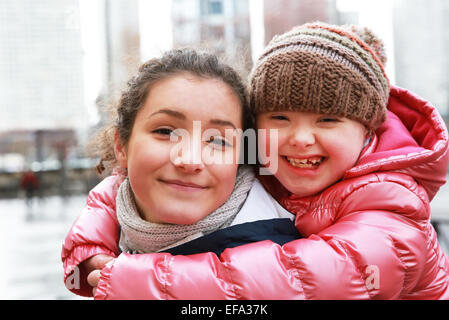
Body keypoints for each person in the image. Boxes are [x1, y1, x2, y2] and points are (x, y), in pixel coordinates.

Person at [63, 22, 449, 300]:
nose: (299, 139)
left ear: (368, 131)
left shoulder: (392, 202)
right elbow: (117, 187)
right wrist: (88, 251)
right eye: (280, 118)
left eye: (328, 120)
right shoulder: (267, 167)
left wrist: (138, 281)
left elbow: (300, 281)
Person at [61, 48, 299, 298]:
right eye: (166, 132)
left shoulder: (280, 263)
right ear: (121, 146)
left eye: (218, 141)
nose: (190, 160)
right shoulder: (113, 243)